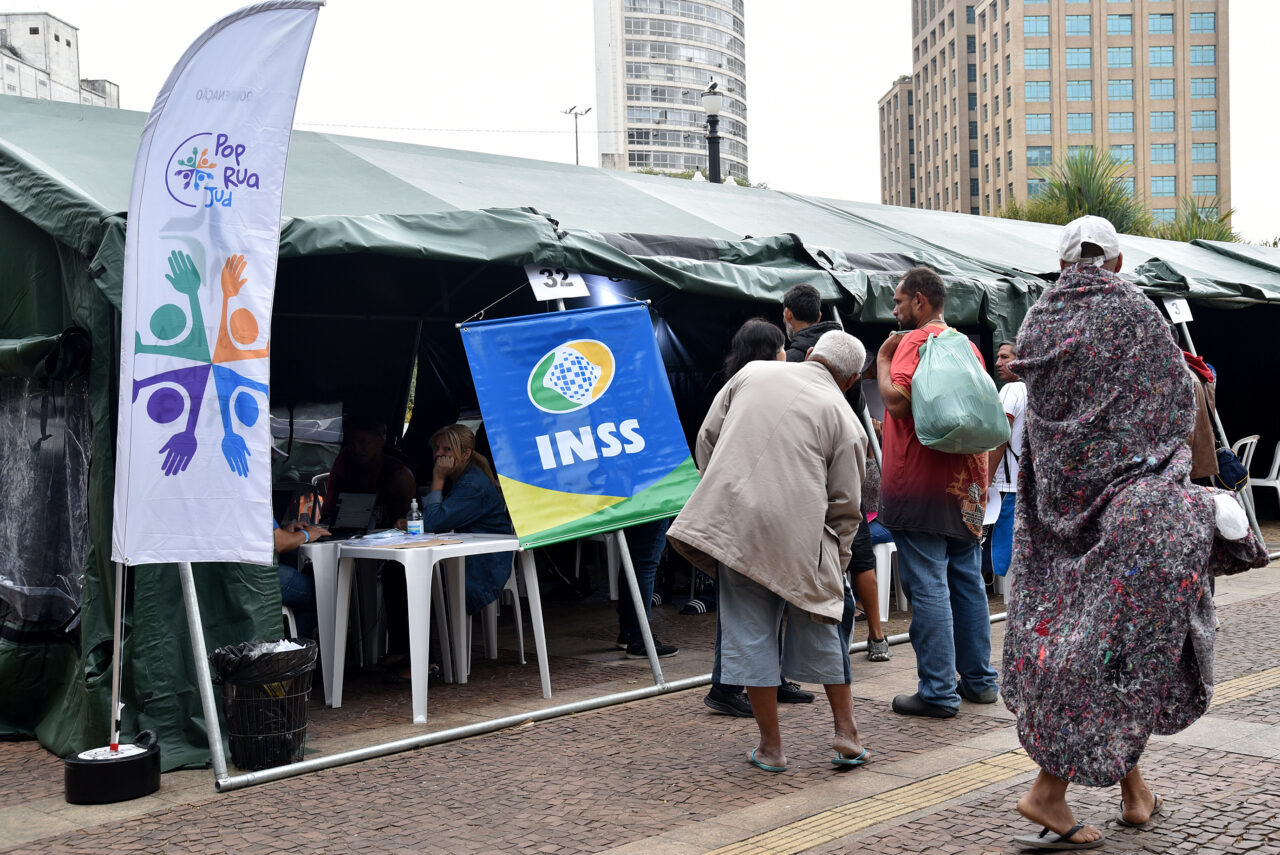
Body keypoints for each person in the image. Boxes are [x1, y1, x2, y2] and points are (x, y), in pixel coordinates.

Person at [1002, 215, 1266, 850]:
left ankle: (1133, 790)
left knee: (1109, 641)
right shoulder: (1133, 308)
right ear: (1116, 262)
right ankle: (1048, 790)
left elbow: (1042, 413)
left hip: (1057, 514)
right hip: (1133, 513)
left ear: (1064, 263)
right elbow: (1177, 402)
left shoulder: (1038, 317)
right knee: (1109, 646)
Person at [668, 331, 869, 773]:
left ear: (811, 355)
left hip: (737, 528)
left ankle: (772, 748)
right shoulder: (846, 419)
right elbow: (846, 505)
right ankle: (846, 732)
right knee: (823, 625)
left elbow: (707, 439)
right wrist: (838, 560)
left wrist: (725, 489)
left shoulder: (752, 373)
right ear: (852, 381)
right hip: (803, 539)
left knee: (750, 634)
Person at [877, 267, 998, 719]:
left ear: (921, 302)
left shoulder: (913, 342)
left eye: (899, 302)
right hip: (965, 483)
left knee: (927, 583)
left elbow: (898, 402)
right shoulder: (966, 346)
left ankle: (938, 691)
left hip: (919, 483)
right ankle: (980, 680)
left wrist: (885, 360)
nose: (895, 311)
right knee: (966, 580)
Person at [699, 318, 815, 716]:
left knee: (769, 596)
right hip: (751, 511)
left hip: (763, 509)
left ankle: (770, 679)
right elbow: (708, 441)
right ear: (777, 350)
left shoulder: (742, 382)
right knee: (743, 603)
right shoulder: (749, 385)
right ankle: (725, 685)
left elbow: (706, 442)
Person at [326, 414, 418, 666]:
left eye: (364, 442)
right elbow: (330, 509)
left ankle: (405, 649)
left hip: (390, 549)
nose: (358, 449)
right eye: (353, 443)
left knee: (397, 573)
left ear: (380, 440)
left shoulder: (399, 472)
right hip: (349, 538)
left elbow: (409, 521)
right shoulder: (344, 464)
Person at [418, 424, 515, 615]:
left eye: (447, 449)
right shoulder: (458, 478)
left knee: (410, 578)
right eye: (436, 448)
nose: (439, 454)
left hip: (482, 567)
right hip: (466, 560)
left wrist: (437, 478)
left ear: (465, 454)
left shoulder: (471, 485)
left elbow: (433, 523)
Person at [986, 341, 1026, 581]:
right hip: (1027, 486)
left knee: (993, 555)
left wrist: (986, 479)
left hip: (1006, 487)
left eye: (1005, 357)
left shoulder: (1011, 390)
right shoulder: (1036, 390)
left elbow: (1000, 435)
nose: (998, 363)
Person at [273, 518, 330, 640]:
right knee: (319, 591)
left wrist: (285, 532)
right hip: (257, 576)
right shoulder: (255, 499)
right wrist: (306, 534)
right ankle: (301, 650)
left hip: (230, 572)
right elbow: (280, 543)